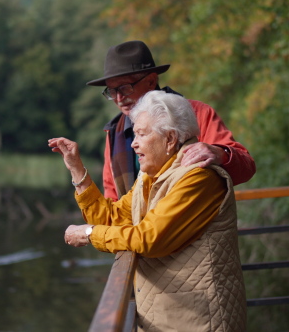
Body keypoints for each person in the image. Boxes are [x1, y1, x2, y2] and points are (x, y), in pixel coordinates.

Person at [48, 90, 246, 331]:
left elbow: (149, 238)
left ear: (170, 139)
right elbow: (113, 219)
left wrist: (90, 233)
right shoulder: (151, 174)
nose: (133, 143)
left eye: (141, 134)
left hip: (199, 322)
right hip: (166, 317)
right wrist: (77, 171)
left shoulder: (197, 177)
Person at [86, 40, 256, 201]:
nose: (119, 98)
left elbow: (247, 168)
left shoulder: (198, 113)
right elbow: (112, 198)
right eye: (112, 91)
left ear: (151, 81)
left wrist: (219, 154)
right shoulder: (114, 132)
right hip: (138, 231)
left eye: (125, 87)